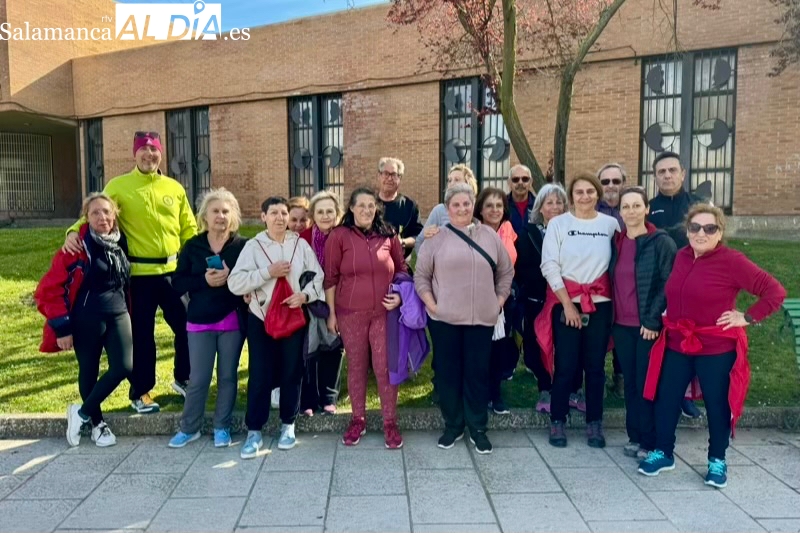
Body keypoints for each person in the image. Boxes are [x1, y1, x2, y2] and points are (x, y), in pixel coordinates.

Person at [638, 204, 785, 488]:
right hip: (678, 343)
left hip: (716, 347)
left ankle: (717, 459)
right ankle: (663, 452)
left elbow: (775, 291)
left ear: (720, 232)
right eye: (694, 227)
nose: (701, 233)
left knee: (717, 405)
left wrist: (747, 316)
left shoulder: (732, 261)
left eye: (709, 228)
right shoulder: (681, 256)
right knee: (666, 399)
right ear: (687, 230)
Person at [62, 131, 197, 414]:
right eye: (144, 150)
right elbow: (96, 210)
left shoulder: (173, 187)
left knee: (188, 326)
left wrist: (192, 257)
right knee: (142, 335)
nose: (149, 155)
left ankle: (183, 378)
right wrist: (73, 230)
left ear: (162, 153)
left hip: (173, 272)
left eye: (154, 150)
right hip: (138, 276)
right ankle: (141, 392)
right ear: (134, 154)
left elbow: (189, 227)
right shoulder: (119, 185)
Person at [415, 183, 514, 454]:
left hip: (481, 319)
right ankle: (453, 425)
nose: (462, 208)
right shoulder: (436, 238)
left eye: (466, 204)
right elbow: (420, 276)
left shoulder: (489, 236)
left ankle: (478, 427)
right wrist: (432, 304)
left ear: (474, 206)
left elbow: (506, 272)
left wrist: (499, 301)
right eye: (456, 204)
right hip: (444, 319)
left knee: (477, 373)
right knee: (448, 374)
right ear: (447, 209)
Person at [228, 197, 324, 458]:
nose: (280, 218)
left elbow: (318, 277)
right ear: (263, 217)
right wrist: (267, 272)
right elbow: (235, 283)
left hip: (293, 316)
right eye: (274, 213)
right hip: (261, 318)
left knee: (293, 371)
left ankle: (288, 425)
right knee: (260, 373)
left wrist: (304, 296)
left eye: (284, 213)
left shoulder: (301, 245)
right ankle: (254, 431)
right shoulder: (254, 246)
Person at [36, 193, 132, 447]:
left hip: (119, 313)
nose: (102, 217)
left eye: (107, 212)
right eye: (95, 213)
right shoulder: (77, 247)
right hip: (87, 317)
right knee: (89, 370)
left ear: (114, 216)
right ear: (86, 217)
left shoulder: (121, 242)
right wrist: (62, 327)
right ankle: (98, 425)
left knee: (124, 367)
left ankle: (80, 413)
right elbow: (48, 290)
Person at [535, 172, 620, 449]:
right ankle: (557, 419)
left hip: (600, 305)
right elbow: (549, 265)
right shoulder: (559, 224)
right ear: (572, 197)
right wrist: (568, 304)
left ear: (598, 194)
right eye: (579, 192)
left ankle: (594, 422)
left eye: (590, 191)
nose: (585, 196)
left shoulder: (610, 225)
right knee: (567, 366)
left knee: (595, 367)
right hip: (566, 304)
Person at [324, 187, 407, 449]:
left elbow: (402, 269)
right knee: (357, 366)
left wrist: (402, 296)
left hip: (384, 312)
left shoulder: (389, 234)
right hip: (350, 313)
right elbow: (330, 277)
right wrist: (331, 313)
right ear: (351, 208)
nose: (367, 210)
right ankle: (357, 419)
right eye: (361, 205)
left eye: (371, 205)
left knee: (384, 367)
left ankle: (389, 422)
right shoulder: (339, 236)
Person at [168, 189, 248, 449]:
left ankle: (221, 427)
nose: (221, 216)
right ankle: (189, 427)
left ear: (233, 216)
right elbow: (178, 283)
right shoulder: (193, 245)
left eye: (226, 211)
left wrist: (231, 278)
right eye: (215, 211)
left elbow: (252, 280)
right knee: (199, 378)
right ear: (205, 216)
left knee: (227, 377)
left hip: (231, 321)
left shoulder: (242, 246)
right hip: (199, 321)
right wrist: (204, 280)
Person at [609, 187, 676, 460]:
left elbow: (667, 283)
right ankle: (635, 436)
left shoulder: (661, 242)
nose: (631, 211)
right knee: (632, 384)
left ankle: (651, 440)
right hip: (622, 325)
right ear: (620, 211)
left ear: (647, 209)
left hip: (647, 327)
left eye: (637, 206)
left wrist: (651, 320)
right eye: (626, 207)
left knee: (648, 383)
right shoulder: (617, 242)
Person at [646, 150, 706, 419]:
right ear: (655, 176)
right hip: (659, 284)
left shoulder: (699, 205)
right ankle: (660, 388)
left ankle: (686, 395)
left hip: (693, 283)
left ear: (682, 173)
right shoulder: (649, 206)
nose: (667, 175)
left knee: (689, 340)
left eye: (672, 170)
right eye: (661, 171)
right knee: (662, 341)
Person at [513, 184, 568, 414]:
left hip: (566, 301)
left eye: (559, 202)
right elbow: (519, 267)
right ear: (540, 208)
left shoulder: (573, 231)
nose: (554, 207)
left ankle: (571, 389)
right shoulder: (528, 235)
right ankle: (544, 387)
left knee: (566, 347)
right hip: (536, 301)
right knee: (536, 348)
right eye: (549, 203)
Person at [299, 190, 345, 416]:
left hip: (339, 301)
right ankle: (308, 399)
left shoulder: (345, 236)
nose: (326, 216)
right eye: (320, 212)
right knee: (309, 349)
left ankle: (329, 397)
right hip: (309, 302)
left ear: (337, 214)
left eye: (330, 211)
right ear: (313, 215)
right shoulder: (303, 239)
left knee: (333, 347)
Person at [473, 187, 517, 415]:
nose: (495, 210)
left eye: (499, 205)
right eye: (489, 205)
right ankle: (480, 396)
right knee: (481, 350)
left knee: (500, 349)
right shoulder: (472, 232)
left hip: (503, 300)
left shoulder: (509, 231)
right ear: (480, 208)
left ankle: (496, 395)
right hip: (477, 300)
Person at [596, 163, 627, 399]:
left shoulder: (631, 208)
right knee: (598, 332)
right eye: (605, 182)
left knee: (623, 331)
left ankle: (621, 378)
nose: (610, 186)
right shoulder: (591, 210)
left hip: (626, 283)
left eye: (616, 181)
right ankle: (598, 376)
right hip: (597, 282)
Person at [414, 164, 478, 254]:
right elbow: (420, 241)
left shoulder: (475, 210)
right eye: (449, 180)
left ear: (468, 183)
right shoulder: (439, 211)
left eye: (457, 180)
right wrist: (427, 263)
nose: (451, 183)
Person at [376, 157, 423, 259]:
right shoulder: (370, 204)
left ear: (400, 178)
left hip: (399, 264)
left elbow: (419, 236)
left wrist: (402, 242)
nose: (389, 178)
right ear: (379, 176)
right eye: (386, 173)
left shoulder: (409, 205)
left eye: (394, 175)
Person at [507, 164, 536, 237]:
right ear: (509, 182)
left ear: (531, 182)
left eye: (525, 179)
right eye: (515, 179)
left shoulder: (539, 206)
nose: (520, 182)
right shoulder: (502, 205)